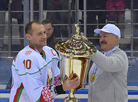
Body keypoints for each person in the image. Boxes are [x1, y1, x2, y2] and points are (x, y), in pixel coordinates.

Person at [9, 21, 80, 102]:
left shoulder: (50, 51)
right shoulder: (26, 58)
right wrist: (63, 87)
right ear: (28, 37)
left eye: (44, 32)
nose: (44, 36)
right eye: (39, 34)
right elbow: (36, 96)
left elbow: (56, 79)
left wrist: (69, 79)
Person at [82, 24, 128, 102]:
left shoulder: (121, 55)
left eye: (105, 36)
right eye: (100, 37)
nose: (101, 40)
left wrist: (89, 47)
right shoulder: (101, 56)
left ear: (116, 38)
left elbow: (108, 64)